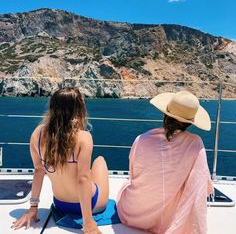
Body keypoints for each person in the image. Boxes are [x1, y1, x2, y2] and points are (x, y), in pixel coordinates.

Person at [12, 87, 109, 234]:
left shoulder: (37, 134)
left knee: (83, 171)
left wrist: (33, 208)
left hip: (60, 204)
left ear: (52, 107)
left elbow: (38, 171)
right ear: (79, 109)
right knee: (99, 161)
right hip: (91, 204)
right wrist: (88, 221)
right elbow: (82, 179)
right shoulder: (84, 137)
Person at [117, 91, 214, 234]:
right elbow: (199, 184)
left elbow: (133, 174)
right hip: (170, 220)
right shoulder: (195, 144)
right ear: (190, 123)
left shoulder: (141, 140)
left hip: (133, 214)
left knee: (124, 187)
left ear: (165, 114)